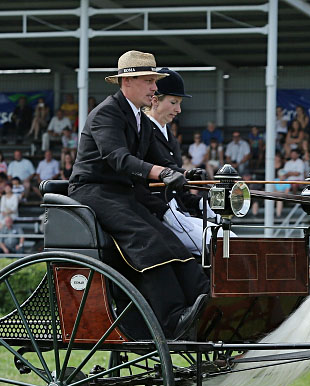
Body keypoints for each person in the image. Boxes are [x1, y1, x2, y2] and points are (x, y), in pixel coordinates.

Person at [68, 51, 210, 339]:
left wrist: (186, 175)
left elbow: (162, 162)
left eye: (154, 82)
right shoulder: (106, 114)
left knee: (169, 237)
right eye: (149, 81)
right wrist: (161, 173)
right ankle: (171, 318)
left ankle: (202, 299)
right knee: (147, 239)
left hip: (124, 194)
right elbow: (118, 158)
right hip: (94, 191)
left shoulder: (141, 121)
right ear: (127, 81)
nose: (154, 88)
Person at [142, 68, 218, 257]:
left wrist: (200, 204)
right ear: (155, 100)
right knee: (219, 242)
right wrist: (164, 211)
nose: (179, 110)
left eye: (179, 103)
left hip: (178, 212)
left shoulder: (170, 136)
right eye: (174, 102)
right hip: (157, 216)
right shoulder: (144, 131)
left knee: (228, 237)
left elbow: (177, 189)